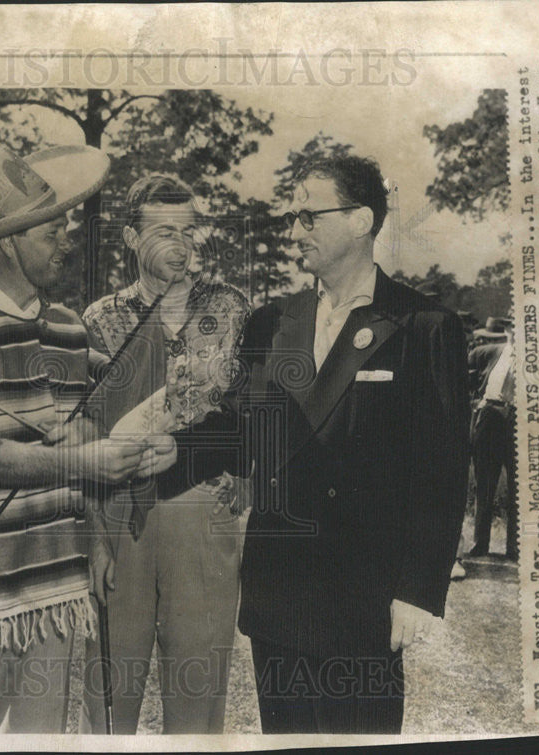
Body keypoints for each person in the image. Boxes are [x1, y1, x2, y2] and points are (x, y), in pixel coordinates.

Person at [164, 154, 471, 733]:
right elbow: (244, 429)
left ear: (361, 221)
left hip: (365, 597)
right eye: (293, 218)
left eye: (309, 218)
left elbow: (443, 471)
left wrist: (418, 590)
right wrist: (163, 457)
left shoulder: (424, 326)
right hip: (278, 593)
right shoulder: (272, 321)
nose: (294, 231)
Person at [0, 139, 174, 734]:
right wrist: (82, 465)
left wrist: (98, 538)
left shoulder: (68, 329)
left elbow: (77, 436)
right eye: (50, 233)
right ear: (8, 240)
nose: (65, 243)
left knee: (40, 737)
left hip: (57, 580)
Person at [79, 175, 251, 734]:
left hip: (205, 512)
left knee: (197, 696)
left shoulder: (231, 309)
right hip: (120, 510)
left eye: (187, 230)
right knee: (109, 693)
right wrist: (93, 536)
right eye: (162, 231)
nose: (179, 244)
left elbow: (253, 415)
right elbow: (84, 434)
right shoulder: (98, 320)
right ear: (130, 237)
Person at [467, 319, 518, 560]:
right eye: (514, 329)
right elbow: (465, 376)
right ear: (507, 332)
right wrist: (476, 401)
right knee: (485, 482)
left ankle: (514, 548)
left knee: (519, 488)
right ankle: (480, 544)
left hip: (519, 420)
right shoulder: (489, 352)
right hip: (489, 415)